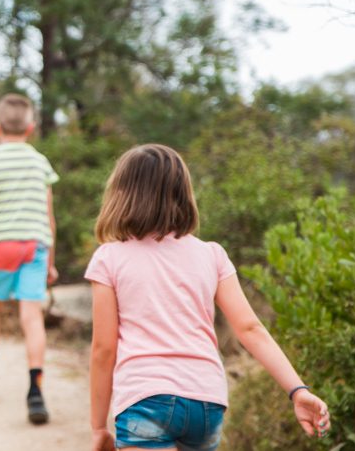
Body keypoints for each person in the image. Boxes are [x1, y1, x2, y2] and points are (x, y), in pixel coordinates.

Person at [86, 144, 331, 451]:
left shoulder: (109, 258)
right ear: (183, 193)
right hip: (206, 402)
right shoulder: (211, 254)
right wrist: (297, 390)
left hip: (144, 396)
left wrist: (98, 426)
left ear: (121, 194)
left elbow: (103, 349)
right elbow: (250, 329)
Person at [0, 93, 59, 423]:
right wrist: (52, 260)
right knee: (31, 316)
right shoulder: (40, 161)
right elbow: (49, 215)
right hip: (35, 245)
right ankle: (36, 390)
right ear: (30, 128)